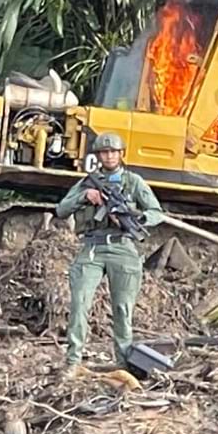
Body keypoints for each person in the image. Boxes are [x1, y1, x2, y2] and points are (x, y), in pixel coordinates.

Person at [55, 132, 162, 377]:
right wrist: (85, 196)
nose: (110, 156)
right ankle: (73, 361)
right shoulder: (88, 182)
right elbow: (61, 209)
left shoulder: (133, 182)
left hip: (123, 247)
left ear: (121, 154)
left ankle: (123, 363)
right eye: (105, 152)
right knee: (80, 301)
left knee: (123, 309)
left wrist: (134, 216)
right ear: (99, 156)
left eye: (113, 151)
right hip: (92, 247)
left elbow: (156, 212)